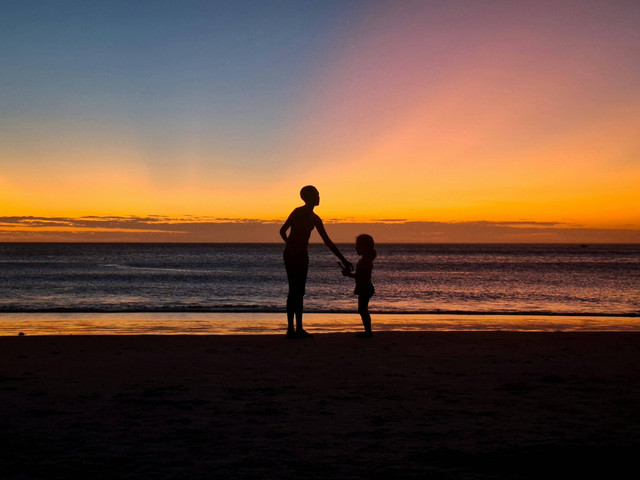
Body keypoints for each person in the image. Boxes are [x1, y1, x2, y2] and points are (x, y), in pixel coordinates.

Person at [280, 185, 353, 338]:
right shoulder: (299, 212)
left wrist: (344, 260)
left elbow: (327, 241)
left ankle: (297, 328)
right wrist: (290, 244)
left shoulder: (314, 218)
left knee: (298, 291)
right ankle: (291, 329)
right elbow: (283, 230)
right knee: (294, 290)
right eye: (317, 195)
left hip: (300, 254)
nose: (319, 197)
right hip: (293, 254)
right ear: (309, 197)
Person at [342, 234, 376, 337]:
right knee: (362, 309)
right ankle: (368, 331)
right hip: (364, 287)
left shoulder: (366, 260)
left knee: (362, 310)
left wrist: (348, 274)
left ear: (365, 247)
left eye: (358, 245)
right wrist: (350, 274)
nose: (356, 248)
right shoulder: (365, 259)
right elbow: (360, 275)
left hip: (365, 287)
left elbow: (361, 276)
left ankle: (368, 331)